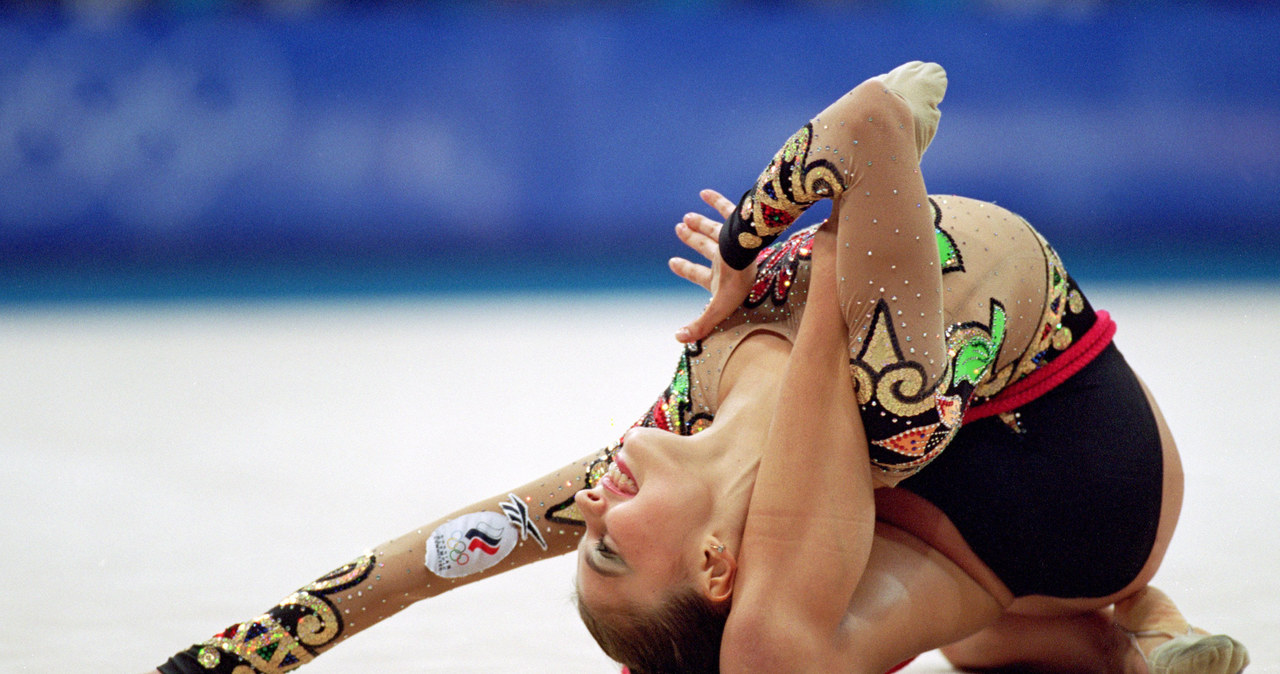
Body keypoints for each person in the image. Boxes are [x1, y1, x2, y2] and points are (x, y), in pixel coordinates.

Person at [152, 63, 1247, 674]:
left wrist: (248, 648)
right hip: (1087, 476)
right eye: (612, 548)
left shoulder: (687, 408)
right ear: (716, 559)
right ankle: (1127, 608)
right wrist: (771, 245)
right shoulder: (887, 396)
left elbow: (441, 555)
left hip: (971, 497)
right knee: (831, 620)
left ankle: (1132, 625)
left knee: (966, 649)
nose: (591, 509)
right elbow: (879, 114)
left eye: (582, 536)